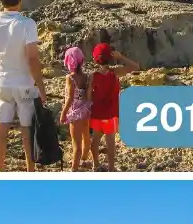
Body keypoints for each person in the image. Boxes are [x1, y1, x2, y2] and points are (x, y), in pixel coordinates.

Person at [0, 0, 46, 173]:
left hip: (1, 83)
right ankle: (30, 170)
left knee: (1, 126)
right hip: (24, 85)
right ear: (20, 0)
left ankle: (1, 169)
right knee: (26, 128)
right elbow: (33, 58)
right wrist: (42, 88)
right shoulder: (27, 24)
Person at [87, 41, 139, 172]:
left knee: (95, 141)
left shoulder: (93, 76)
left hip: (97, 114)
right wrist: (120, 57)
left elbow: (88, 96)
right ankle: (111, 168)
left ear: (94, 59)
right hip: (111, 115)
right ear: (110, 58)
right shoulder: (115, 73)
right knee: (110, 144)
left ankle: (96, 165)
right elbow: (135, 66)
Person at [60, 46, 91, 171]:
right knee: (86, 137)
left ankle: (74, 169)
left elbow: (70, 98)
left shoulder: (70, 78)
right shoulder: (86, 76)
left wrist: (63, 112)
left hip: (75, 111)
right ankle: (83, 159)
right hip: (85, 109)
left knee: (76, 143)